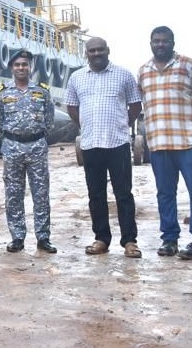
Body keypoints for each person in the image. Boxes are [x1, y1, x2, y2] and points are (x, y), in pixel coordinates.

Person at [137, 26, 192, 260]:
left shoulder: (190, 66)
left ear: (173, 42)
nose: (160, 45)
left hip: (189, 142)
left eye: (165, 41)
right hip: (159, 144)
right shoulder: (143, 71)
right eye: (156, 41)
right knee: (165, 193)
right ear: (150, 43)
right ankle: (169, 239)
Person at [65, 37, 143, 258]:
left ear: (108, 51)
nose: (97, 54)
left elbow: (136, 105)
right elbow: (72, 107)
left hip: (117, 143)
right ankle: (101, 239)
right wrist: (86, 124)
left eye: (100, 50)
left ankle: (129, 241)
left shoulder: (124, 75)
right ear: (86, 53)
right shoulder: (77, 77)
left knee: (123, 194)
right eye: (92, 51)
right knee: (96, 195)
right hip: (90, 144)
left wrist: (122, 123)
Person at [0, 50, 57, 254]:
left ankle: (43, 237)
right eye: (17, 65)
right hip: (12, 147)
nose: (21, 68)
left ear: (30, 67)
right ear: (12, 68)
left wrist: (33, 136)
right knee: (13, 194)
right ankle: (17, 237)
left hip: (36, 146)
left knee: (41, 194)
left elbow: (49, 121)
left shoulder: (42, 92)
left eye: (25, 64)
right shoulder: (2, 93)